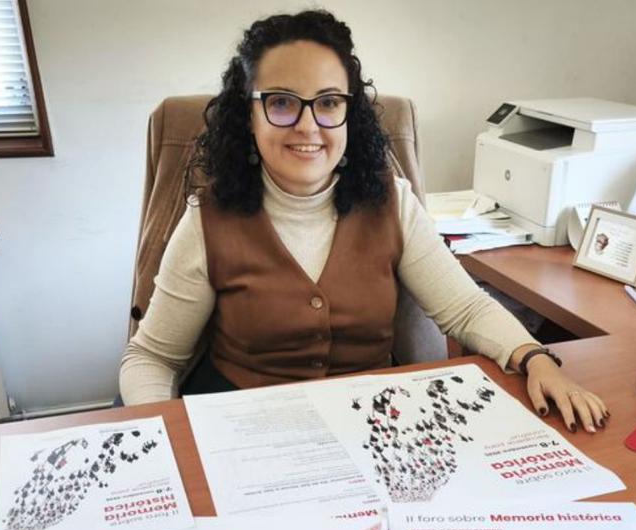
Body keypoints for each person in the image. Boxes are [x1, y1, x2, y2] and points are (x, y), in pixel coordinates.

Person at [119, 9, 609, 433]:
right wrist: (169, 437)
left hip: (372, 426)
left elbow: (464, 310)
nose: (308, 126)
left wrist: (535, 357)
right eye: (282, 102)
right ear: (249, 116)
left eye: (329, 102)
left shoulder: (392, 203)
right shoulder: (208, 219)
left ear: (349, 113)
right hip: (245, 428)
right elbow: (152, 358)